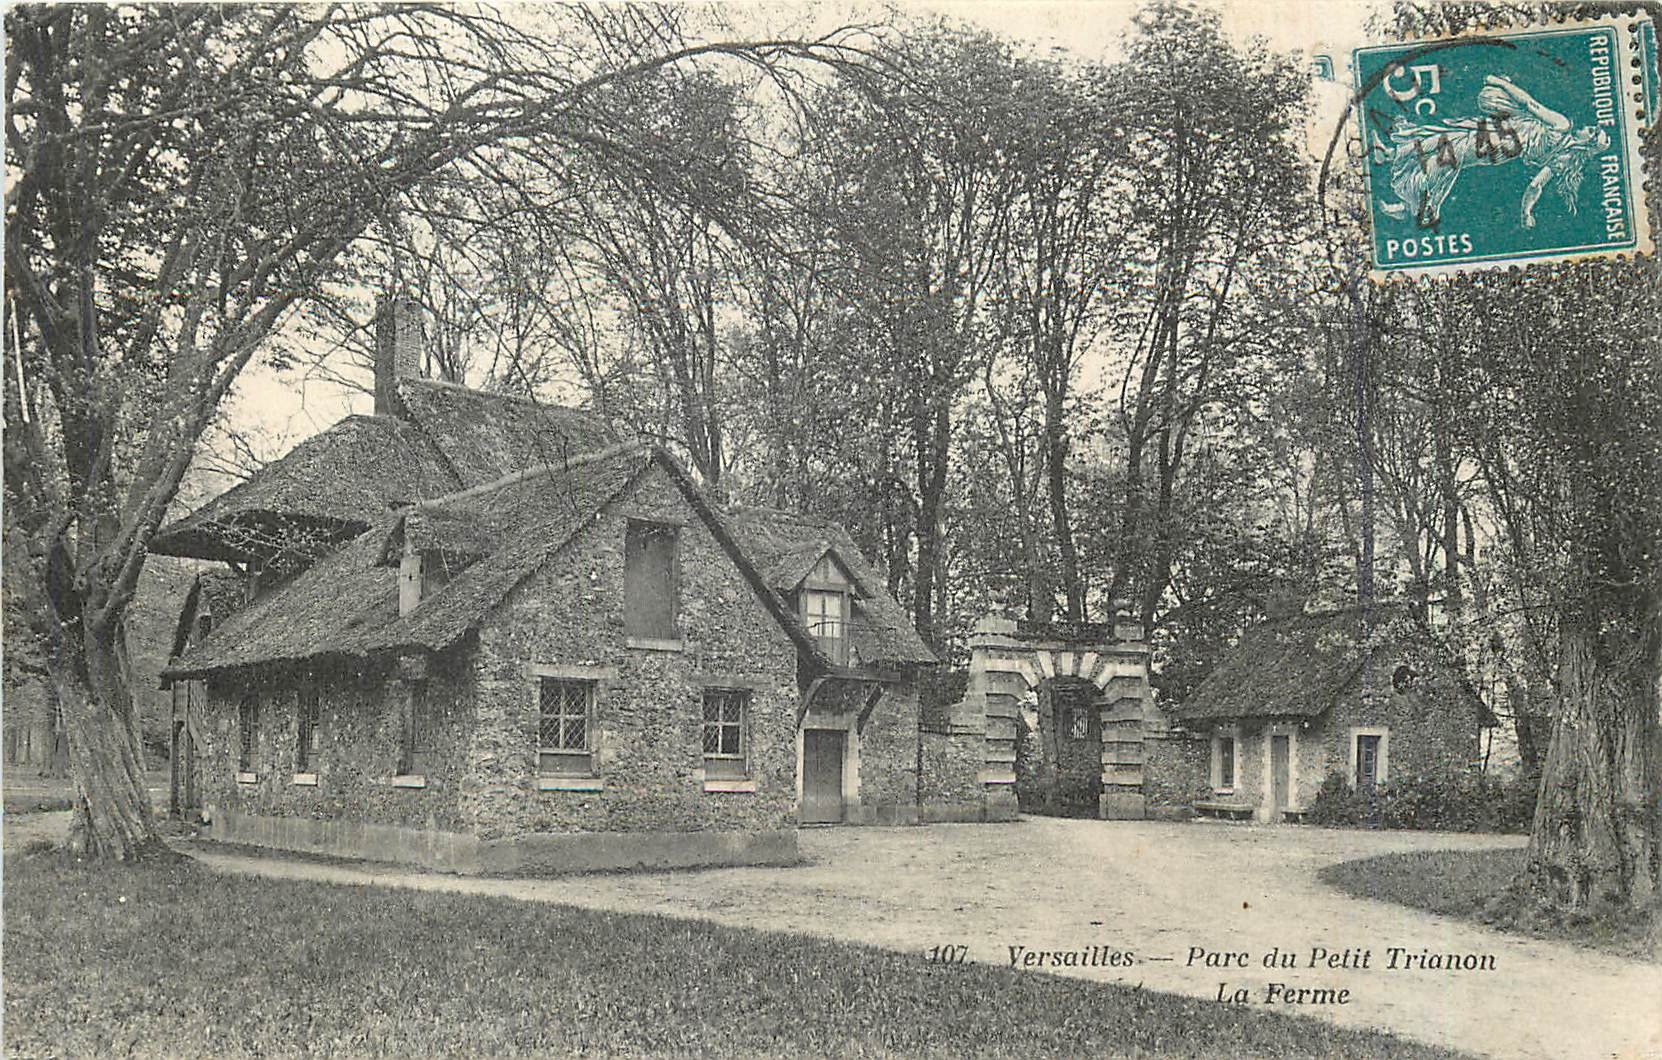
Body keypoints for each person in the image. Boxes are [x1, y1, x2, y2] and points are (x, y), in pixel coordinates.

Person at [1378, 74, 1610, 229]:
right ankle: (1396, 168)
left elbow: (1530, 104)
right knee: (1444, 146)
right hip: (1499, 149)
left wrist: (1499, 82)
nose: (1586, 127)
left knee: (1444, 150)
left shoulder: (1562, 125)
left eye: (1591, 131)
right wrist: (1526, 213)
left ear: (1586, 142)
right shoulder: (1563, 159)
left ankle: (1408, 201)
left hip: (1495, 136)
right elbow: (1535, 186)